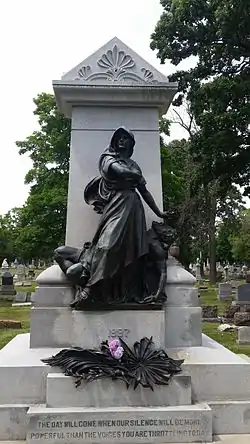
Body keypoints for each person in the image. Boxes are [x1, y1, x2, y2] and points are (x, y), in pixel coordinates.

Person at [56, 127, 167, 308]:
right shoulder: (108, 158)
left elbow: (144, 191)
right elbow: (118, 171)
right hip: (116, 204)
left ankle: (123, 291)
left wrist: (158, 212)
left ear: (131, 143)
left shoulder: (133, 164)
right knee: (107, 246)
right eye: (119, 137)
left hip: (133, 207)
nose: (122, 140)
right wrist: (134, 175)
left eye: (126, 138)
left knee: (131, 250)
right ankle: (91, 288)